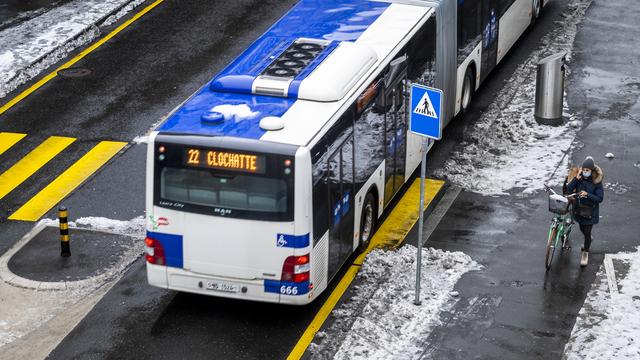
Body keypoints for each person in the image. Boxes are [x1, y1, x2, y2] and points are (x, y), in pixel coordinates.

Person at [565, 156, 604, 266]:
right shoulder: (580, 178)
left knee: (587, 232)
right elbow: (568, 190)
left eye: (587, 170)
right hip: (579, 209)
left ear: (591, 171)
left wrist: (588, 195)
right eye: (584, 170)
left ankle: (585, 253)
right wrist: (576, 179)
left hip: (590, 212)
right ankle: (588, 239)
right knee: (582, 228)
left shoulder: (597, 182)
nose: (585, 172)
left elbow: (599, 199)